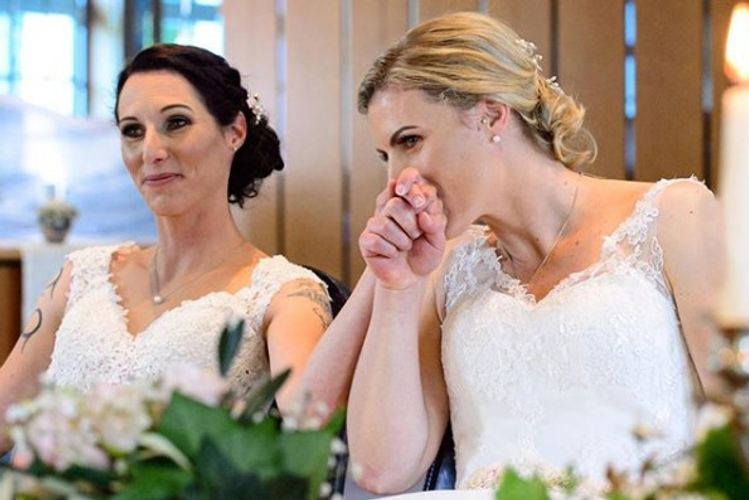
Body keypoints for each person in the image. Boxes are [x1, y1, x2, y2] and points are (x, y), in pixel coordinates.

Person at [345, 12, 725, 494]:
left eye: (411, 141)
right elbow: (379, 471)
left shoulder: (674, 216)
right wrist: (397, 290)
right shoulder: (443, 268)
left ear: (490, 115)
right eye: (387, 155)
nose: (397, 179)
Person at [0, 44, 343, 452]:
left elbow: (312, 436)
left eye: (176, 123)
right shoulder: (80, 275)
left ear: (234, 131)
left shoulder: (284, 293)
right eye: (133, 131)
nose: (152, 151)